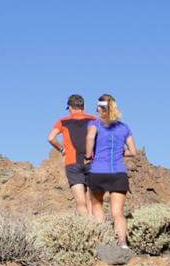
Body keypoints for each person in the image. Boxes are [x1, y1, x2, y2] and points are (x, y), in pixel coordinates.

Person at [85, 93, 138, 247]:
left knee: (96, 206)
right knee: (118, 213)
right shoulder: (124, 127)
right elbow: (133, 152)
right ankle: (122, 243)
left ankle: (102, 243)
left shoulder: (94, 124)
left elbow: (89, 138)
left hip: (98, 172)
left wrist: (89, 155)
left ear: (99, 108)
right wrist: (120, 152)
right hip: (118, 174)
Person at [47, 94, 97, 214]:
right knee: (92, 199)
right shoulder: (94, 120)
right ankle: (94, 227)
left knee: (80, 202)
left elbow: (51, 138)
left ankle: (86, 229)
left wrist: (61, 149)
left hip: (72, 163)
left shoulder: (63, 122)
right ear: (83, 106)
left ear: (70, 107)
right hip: (92, 162)